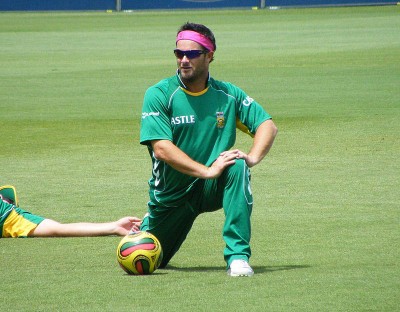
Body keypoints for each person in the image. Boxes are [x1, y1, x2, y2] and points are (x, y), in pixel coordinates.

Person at [139, 22, 277, 277]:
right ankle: (144, 227)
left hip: (210, 187)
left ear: (209, 56)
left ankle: (238, 258)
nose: (183, 60)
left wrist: (253, 157)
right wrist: (206, 171)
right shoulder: (159, 94)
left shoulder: (227, 95)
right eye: (179, 54)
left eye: (192, 54)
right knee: (148, 263)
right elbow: (161, 149)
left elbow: (266, 125)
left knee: (237, 165)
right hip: (170, 200)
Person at [0, 185, 141, 238]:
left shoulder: (5, 215)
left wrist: (114, 227)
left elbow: (57, 229)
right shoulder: (6, 216)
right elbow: (58, 229)